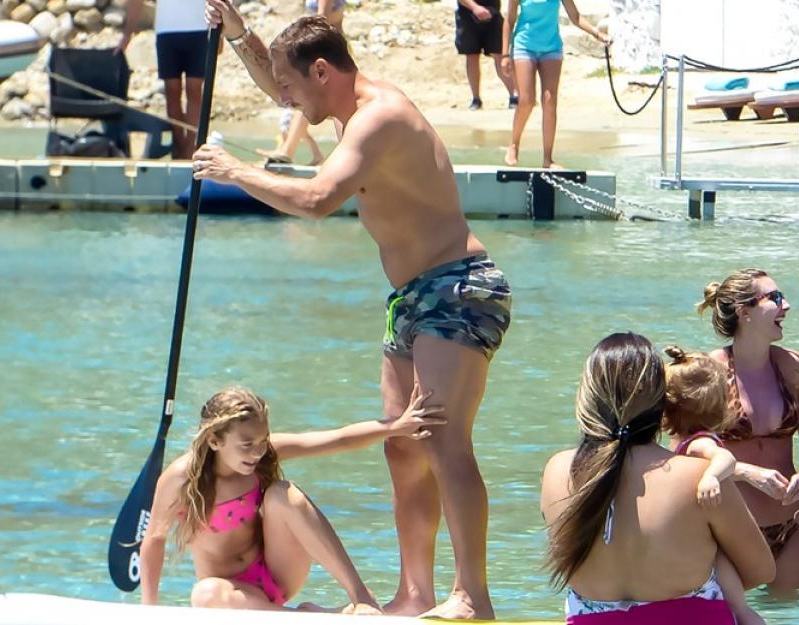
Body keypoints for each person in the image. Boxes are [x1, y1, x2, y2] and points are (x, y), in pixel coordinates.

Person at [191, 7, 513, 619]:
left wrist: (235, 172)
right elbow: (277, 83)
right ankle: (415, 595)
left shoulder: (379, 117)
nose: (284, 100)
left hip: (459, 287)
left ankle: (472, 596)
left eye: (292, 86)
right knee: (403, 444)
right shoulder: (341, 108)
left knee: (442, 439)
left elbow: (317, 198)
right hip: (410, 298)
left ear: (322, 71)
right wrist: (238, 35)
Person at [140, 387, 446, 611]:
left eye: (262, 441)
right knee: (204, 594)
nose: (257, 451)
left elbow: (335, 439)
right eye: (246, 444)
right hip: (230, 592)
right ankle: (315, 616)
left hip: (277, 573)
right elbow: (154, 539)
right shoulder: (182, 479)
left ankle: (361, 598)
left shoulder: (262, 457)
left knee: (282, 494)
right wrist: (148, 608)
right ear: (214, 440)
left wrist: (396, 427)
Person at [541, 332, 775, 625]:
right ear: (662, 401)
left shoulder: (557, 470)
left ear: (587, 397)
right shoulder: (698, 475)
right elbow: (760, 571)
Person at [696, 268, 799, 592]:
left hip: (795, 525)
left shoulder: (793, 365)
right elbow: (683, 454)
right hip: (732, 531)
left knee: (791, 615)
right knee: (734, 614)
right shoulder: (708, 373)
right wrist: (746, 472)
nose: (786, 305)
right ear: (745, 312)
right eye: (775, 298)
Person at [663, 345, 766, 625]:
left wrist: (711, 476)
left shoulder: (698, 443)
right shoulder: (684, 443)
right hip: (703, 536)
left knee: (739, 608)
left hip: (715, 545)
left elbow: (726, 458)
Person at [501, 0, 608, 168]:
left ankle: (547, 158)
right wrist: (505, 55)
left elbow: (575, 16)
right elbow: (509, 20)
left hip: (551, 47)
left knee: (550, 101)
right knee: (526, 101)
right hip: (524, 45)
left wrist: (598, 34)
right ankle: (514, 144)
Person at [256, 0, 345, 165]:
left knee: (304, 101)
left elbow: (321, 22)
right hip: (325, 51)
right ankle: (292, 149)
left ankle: (288, 150)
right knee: (301, 106)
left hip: (323, 53)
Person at [120, 0, 208, 159]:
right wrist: (127, 35)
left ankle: (190, 148)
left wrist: (220, 32)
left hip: (199, 28)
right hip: (166, 31)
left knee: (194, 91)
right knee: (172, 92)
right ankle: (180, 147)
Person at [456, 0, 518, 111]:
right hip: (467, 15)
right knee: (472, 55)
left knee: (500, 54)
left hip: (492, 13)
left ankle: (514, 95)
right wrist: (475, 7)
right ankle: (476, 99)